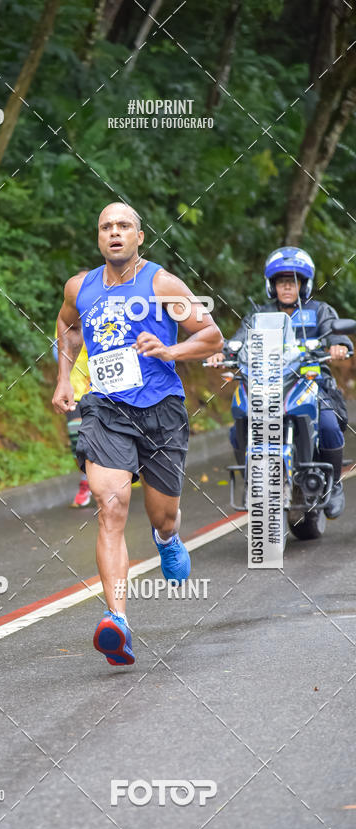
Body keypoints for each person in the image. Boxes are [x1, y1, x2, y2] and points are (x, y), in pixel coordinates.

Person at [52, 202, 223, 666]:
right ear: (98, 236)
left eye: (123, 226)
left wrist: (170, 349)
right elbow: (68, 330)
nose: (114, 233)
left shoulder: (162, 283)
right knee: (111, 507)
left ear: (139, 237)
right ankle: (118, 621)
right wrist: (65, 378)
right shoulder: (80, 287)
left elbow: (211, 336)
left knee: (162, 515)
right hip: (106, 410)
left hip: (161, 410)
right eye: (106, 226)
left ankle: (168, 539)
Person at [207, 246, 352, 518]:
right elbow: (239, 341)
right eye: (281, 282)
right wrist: (222, 352)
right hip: (267, 384)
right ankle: (253, 479)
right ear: (271, 285)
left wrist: (339, 345)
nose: (287, 287)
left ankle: (333, 487)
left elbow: (335, 333)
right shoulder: (258, 315)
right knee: (236, 427)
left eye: (293, 281)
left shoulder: (319, 311)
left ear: (304, 284)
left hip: (311, 381)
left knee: (330, 423)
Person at [53, 271, 93, 507]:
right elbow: (58, 351)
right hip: (75, 391)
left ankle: (110, 478)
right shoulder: (66, 317)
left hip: (102, 391)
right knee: (78, 439)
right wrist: (63, 378)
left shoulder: (104, 316)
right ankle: (86, 479)